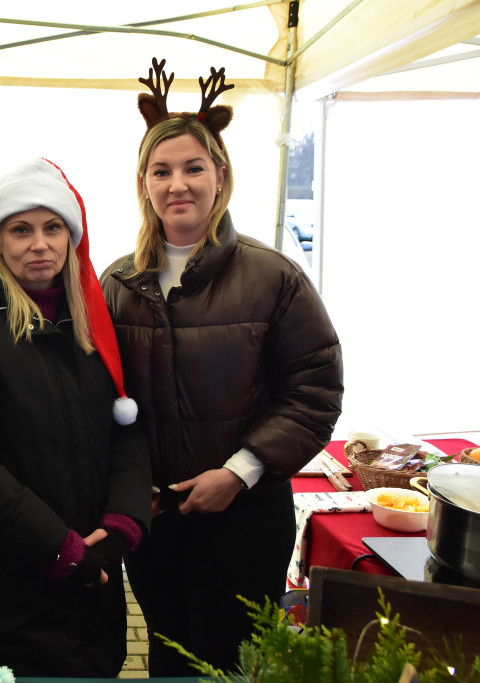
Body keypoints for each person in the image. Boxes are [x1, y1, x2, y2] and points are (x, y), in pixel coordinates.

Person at [101, 58, 344, 676]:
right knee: (167, 652)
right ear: (144, 183)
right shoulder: (118, 283)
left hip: (246, 513)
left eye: (192, 168)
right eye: (161, 171)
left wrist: (239, 472)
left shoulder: (273, 276)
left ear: (220, 175)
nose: (177, 183)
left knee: (234, 660)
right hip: (155, 518)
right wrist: (128, 489)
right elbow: (94, 394)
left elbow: (314, 388)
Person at [0, 157, 151, 676]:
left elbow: (128, 430)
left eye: (53, 228)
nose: (39, 244)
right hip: (14, 588)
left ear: (70, 237)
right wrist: (59, 546)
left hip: (96, 581)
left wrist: (124, 521)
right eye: (20, 229)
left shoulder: (92, 323)